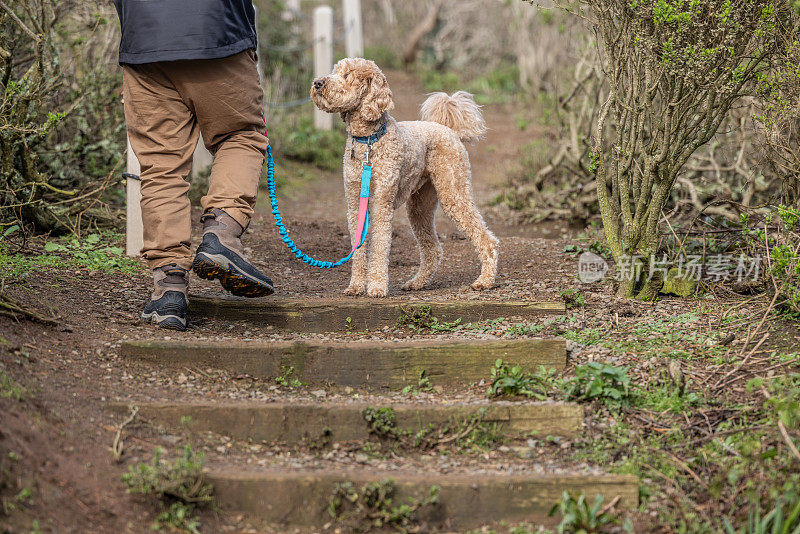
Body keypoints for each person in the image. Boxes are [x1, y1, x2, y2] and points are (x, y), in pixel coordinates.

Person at [112, 0, 274, 331]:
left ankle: (169, 289)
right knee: (240, 135)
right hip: (218, 35)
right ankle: (222, 235)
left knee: (161, 165)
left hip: (145, 43)